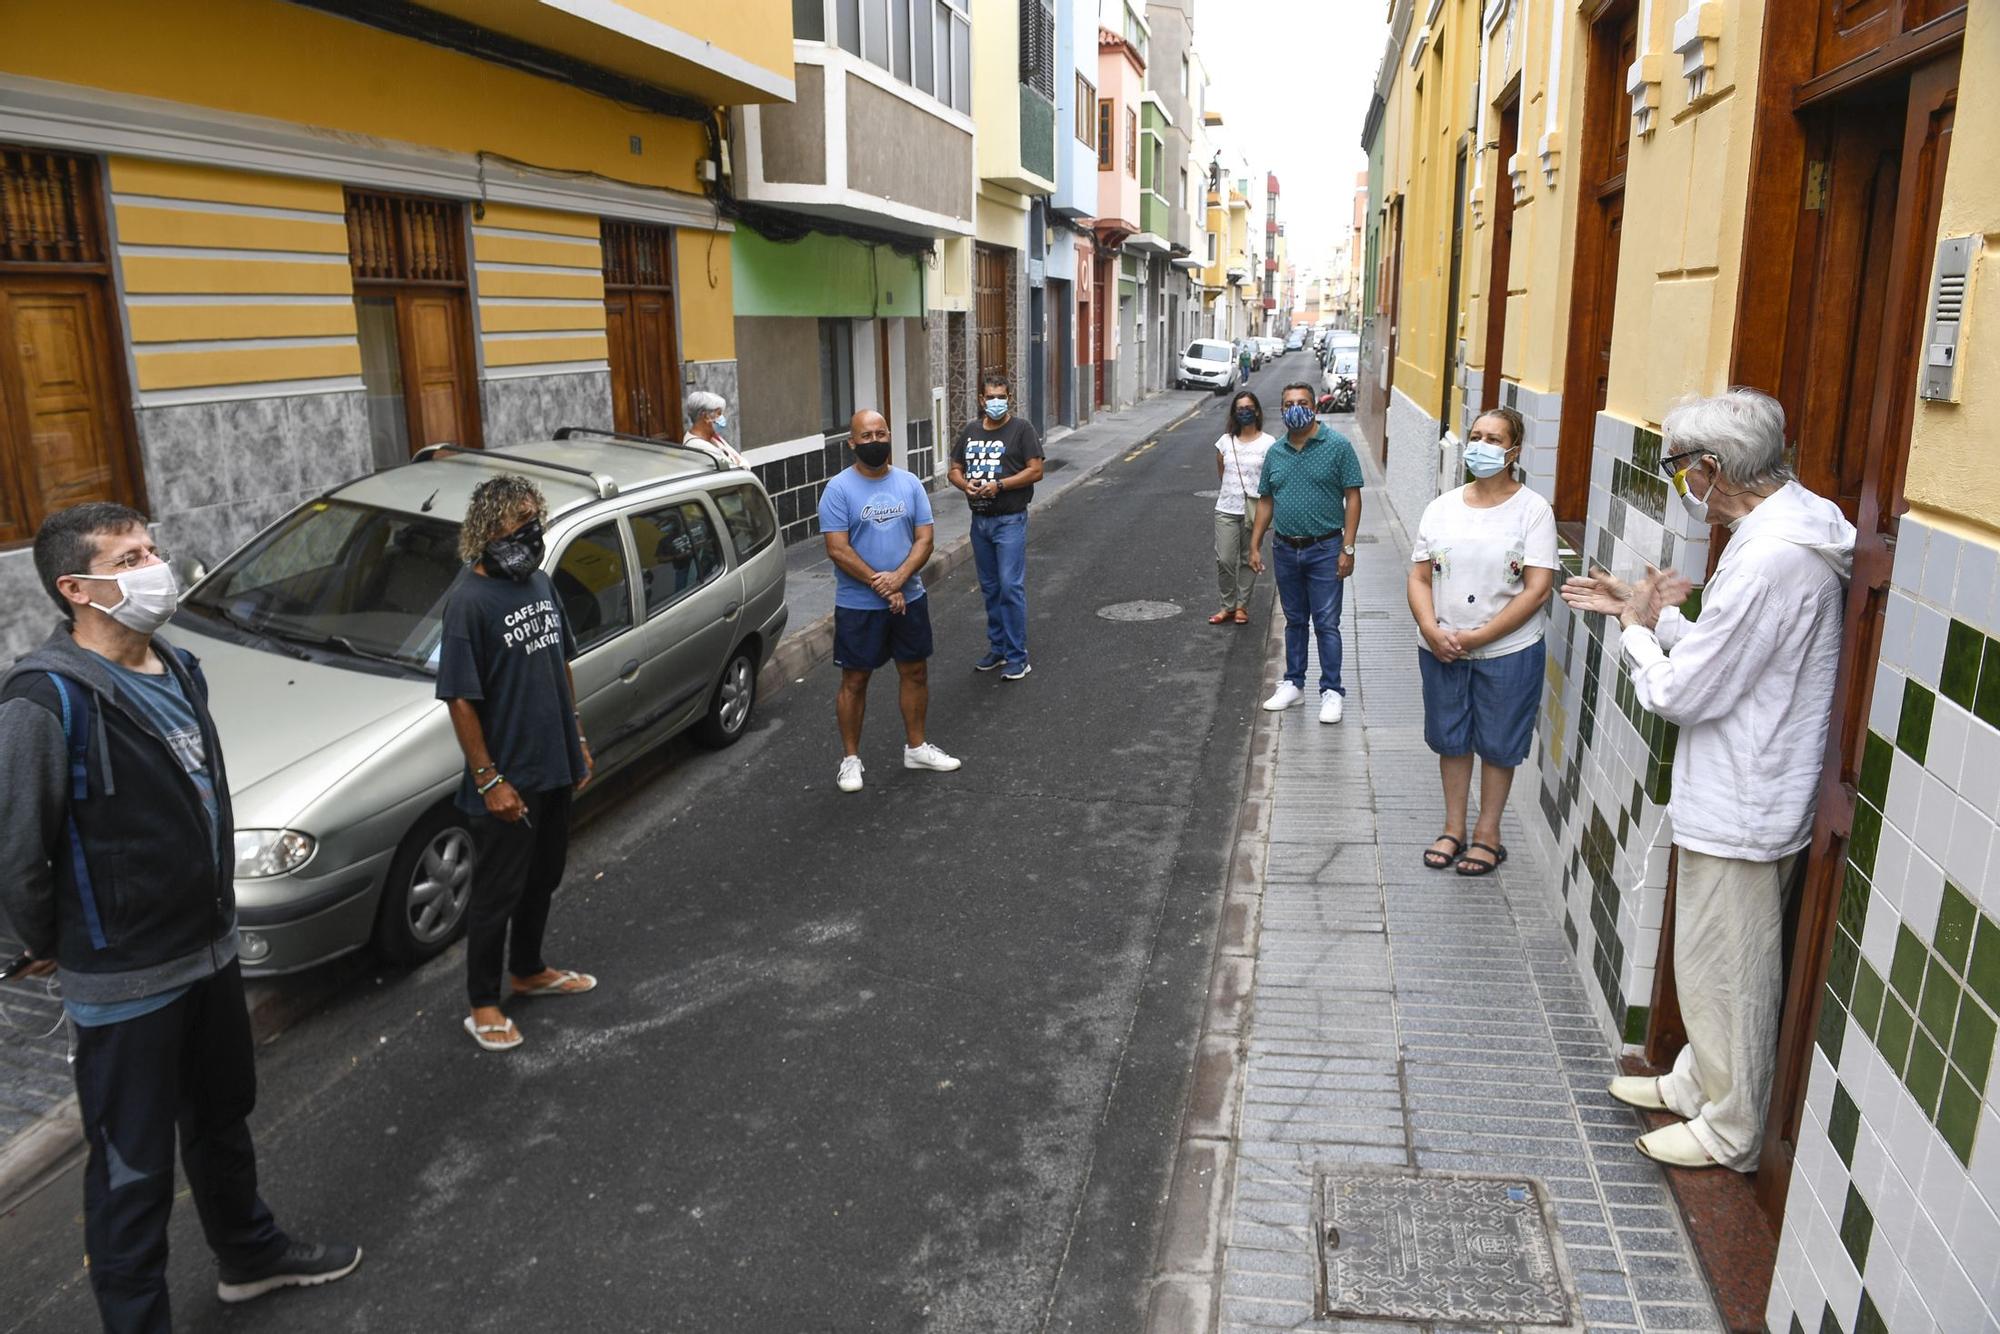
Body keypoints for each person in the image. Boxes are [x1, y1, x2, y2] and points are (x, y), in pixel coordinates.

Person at [0, 503, 360, 1332]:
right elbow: (15, 850)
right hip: (126, 981)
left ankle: (250, 1255)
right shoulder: (45, 700)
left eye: (152, 549)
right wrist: (51, 939)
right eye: (129, 558)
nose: (154, 566)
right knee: (133, 1172)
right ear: (77, 588)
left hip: (209, 952)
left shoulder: (180, 666)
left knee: (223, 1119)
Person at [1561, 388, 1853, 1172]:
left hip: (1747, 795)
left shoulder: (1771, 557)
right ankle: (1698, 1082)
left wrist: (1633, 637)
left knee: (1733, 971)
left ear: (1716, 467)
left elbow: (1686, 691)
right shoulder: (1779, 537)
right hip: (1739, 784)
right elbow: (1727, 658)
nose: (1687, 486)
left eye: (1686, 469)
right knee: (1708, 958)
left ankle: (1731, 1127)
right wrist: (1651, 616)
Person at [437, 475, 598, 1054]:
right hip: (507, 782)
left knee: (543, 879)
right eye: (522, 520)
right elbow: (460, 698)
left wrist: (575, 737)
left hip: (553, 765)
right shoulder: (468, 602)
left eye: (537, 518)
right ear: (491, 528)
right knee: (497, 894)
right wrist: (489, 780)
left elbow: (560, 663)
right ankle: (483, 1003)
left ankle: (528, 969)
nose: (534, 530)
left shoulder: (538, 582)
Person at [1407, 407, 1558, 876]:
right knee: (1451, 739)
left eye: (1494, 439)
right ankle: (1453, 828)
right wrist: (1433, 630)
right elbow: (1418, 576)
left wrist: (1478, 637)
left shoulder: (1533, 510)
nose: (1481, 446)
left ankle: (1487, 833)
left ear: (1514, 451)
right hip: (1441, 646)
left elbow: (1537, 588)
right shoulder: (1442, 506)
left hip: (1508, 650)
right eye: (1476, 436)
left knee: (1498, 743)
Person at [821, 409, 962, 792]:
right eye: (865, 437)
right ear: (851, 443)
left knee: (915, 671)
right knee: (855, 679)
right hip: (858, 604)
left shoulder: (910, 483)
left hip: (910, 598)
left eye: (880, 434)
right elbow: (837, 549)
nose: (874, 442)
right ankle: (851, 760)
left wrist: (900, 579)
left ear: (889, 437)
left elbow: (925, 539)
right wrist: (882, 585)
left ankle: (916, 747)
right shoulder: (838, 489)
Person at [1248, 382, 1365, 723]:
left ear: (1314, 407)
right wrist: (1255, 544)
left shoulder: (1338, 447)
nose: (1294, 408)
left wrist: (1348, 548)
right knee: (1294, 621)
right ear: (1281, 410)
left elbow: (1353, 497)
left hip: (1326, 549)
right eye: (1288, 404)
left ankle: (1331, 691)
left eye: (1302, 402)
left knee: (1327, 624)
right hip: (1285, 549)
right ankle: (1293, 684)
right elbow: (1266, 500)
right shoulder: (1276, 452)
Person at [949, 373, 1045, 680]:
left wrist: (999, 485)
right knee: (990, 588)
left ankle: (1019, 656)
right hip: (980, 523)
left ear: (1009, 398)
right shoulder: (971, 431)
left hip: (1010, 521)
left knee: (1009, 586)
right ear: (981, 400)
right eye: (990, 397)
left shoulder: (1022, 430)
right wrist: (966, 485)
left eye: (1001, 397)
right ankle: (999, 649)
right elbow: (954, 469)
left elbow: (1036, 470)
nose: (996, 402)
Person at [1210, 389, 1274, 625]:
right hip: (1226, 508)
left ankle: (1241, 607)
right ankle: (1226, 605)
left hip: (1254, 511)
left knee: (1249, 559)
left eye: (1248, 408)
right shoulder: (1225, 441)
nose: (1244, 412)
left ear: (1256, 411)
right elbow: (1222, 472)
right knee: (1225, 559)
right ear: (1234, 414)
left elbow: (1270, 479)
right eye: (1240, 409)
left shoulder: (1269, 443)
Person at [683, 390, 747, 468]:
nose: (722, 417)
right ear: (706, 416)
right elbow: (735, 470)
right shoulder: (698, 446)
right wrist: (742, 465)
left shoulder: (713, 437)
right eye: (719, 413)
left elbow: (740, 459)